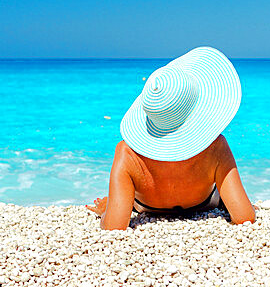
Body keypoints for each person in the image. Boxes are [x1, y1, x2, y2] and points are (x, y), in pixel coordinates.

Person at [86, 47, 255, 230]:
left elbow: (114, 227)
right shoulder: (216, 146)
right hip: (204, 202)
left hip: (147, 206)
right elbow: (244, 217)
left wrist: (107, 211)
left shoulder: (127, 153)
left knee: (119, 203)